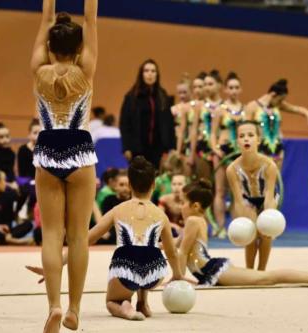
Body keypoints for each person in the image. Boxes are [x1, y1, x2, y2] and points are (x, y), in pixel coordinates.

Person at [27, 157, 184, 321]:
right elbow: (171, 251)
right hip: (154, 271)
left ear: (129, 185)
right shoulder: (161, 215)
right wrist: (177, 275)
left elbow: (86, 239)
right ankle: (142, 301)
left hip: (126, 267)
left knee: (111, 301)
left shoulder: (118, 210)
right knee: (147, 247)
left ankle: (124, 307)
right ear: (153, 185)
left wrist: (57, 265)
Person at [30, 0, 98, 331]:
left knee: (52, 235)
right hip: (79, 148)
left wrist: (48, 8)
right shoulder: (85, 72)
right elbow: (91, 18)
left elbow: (45, 19)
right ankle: (73, 309)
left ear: (49, 46)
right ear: (79, 47)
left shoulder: (38, 72)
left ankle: (54, 305)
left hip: (48, 146)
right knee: (78, 236)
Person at [177, 180, 308, 288]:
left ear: (196, 206)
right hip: (211, 270)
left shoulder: (193, 221)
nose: (180, 207)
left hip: (214, 270)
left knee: (265, 279)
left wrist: (178, 278)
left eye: (183, 202)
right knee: (264, 278)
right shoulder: (195, 221)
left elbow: (183, 251)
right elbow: (176, 243)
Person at [226, 121, 279, 271]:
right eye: (242, 136)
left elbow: (269, 194)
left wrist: (268, 219)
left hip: (267, 198)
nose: (246, 139)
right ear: (237, 142)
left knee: (266, 233)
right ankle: (249, 270)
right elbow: (238, 199)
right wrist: (243, 220)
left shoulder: (269, 166)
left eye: (250, 135)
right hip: (247, 200)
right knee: (250, 233)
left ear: (258, 140)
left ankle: (261, 270)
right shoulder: (232, 169)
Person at [246, 79, 308, 170]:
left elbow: (297, 109)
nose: (281, 103)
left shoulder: (277, 105)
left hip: (277, 149)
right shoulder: (252, 106)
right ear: (273, 95)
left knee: (275, 179)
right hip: (260, 149)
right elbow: (245, 129)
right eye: (280, 100)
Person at [119, 59, 176, 169]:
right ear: (141, 74)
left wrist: (171, 147)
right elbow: (124, 124)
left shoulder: (162, 96)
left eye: (153, 71)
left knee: (155, 178)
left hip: (158, 149)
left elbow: (169, 123)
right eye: (146, 71)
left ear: (157, 74)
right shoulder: (131, 97)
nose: (150, 74)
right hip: (137, 148)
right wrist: (126, 147)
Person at [210, 71, 246, 238]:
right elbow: (212, 133)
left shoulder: (245, 111)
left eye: (236, 87)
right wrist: (215, 148)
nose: (233, 90)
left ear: (241, 89)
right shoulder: (220, 110)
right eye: (230, 87)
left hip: (239, 154)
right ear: (225, 89)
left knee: (237, 191)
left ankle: (236, 226)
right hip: (222, 152)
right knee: (220, 191)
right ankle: (220, 226)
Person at [158, 173, 187, 238]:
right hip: (168, 232)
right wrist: (174, 226)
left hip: (184, 233)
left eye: (180, 184)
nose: (176, 187)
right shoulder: (164, 199)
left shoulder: (189, 202)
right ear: (170, 185)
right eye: (174, 184)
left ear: (186, 186)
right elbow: (159, 220)